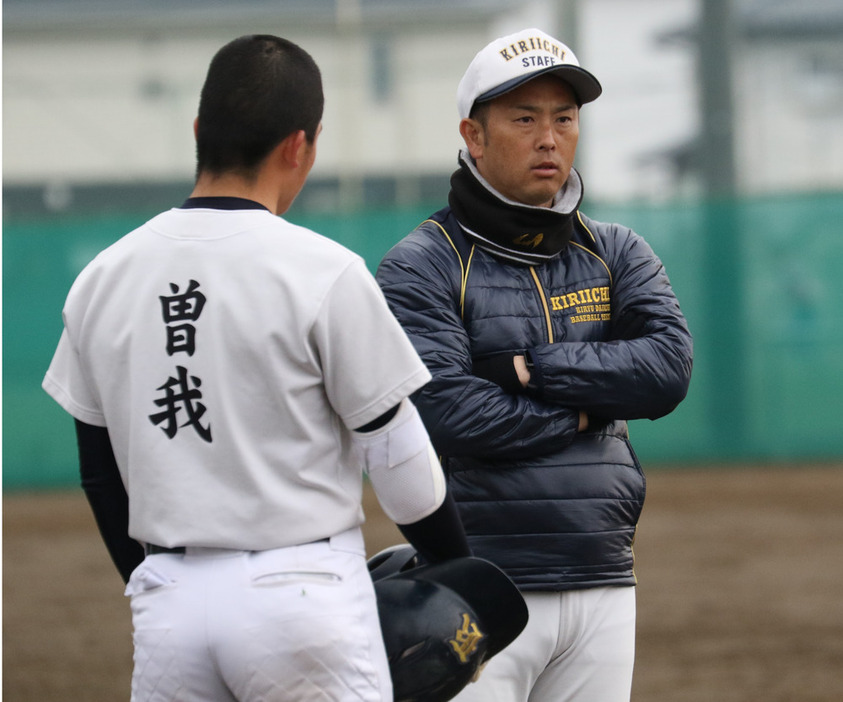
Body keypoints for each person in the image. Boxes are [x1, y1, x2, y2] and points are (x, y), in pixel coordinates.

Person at [42, 34, 472, 702]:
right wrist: (454, 564)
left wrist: (152, 582)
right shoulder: (323, 271)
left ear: (197, 131)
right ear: (299, 145)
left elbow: (99, 472)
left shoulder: (102, 277)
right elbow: (394, 452)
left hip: (171, 605)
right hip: (301, 594)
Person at [376, 27, 694, 702]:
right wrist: (592, 405)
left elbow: (666, 370)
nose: (548, 138)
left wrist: (523, 369)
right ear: (473, 134)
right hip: (476, 589)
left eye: (564, 118)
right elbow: (447, 413)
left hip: (604, 577)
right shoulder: (420, 263)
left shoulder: (617, 250)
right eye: (523, 118)